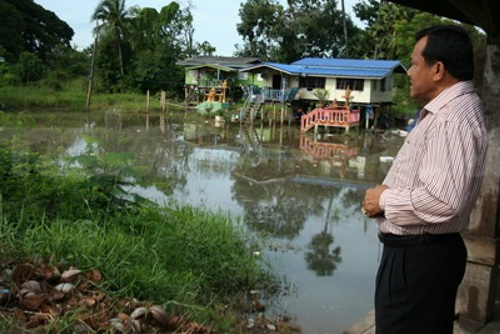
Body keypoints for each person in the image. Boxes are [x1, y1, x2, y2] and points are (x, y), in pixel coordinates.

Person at [362, 25, 488, 334]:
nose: (409, 72)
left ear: (438, 70)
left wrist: (384, 200)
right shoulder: (454, 110)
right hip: (426, 254)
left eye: (415, 63)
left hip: (418, 258)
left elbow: (444, 200)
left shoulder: (449, 119)